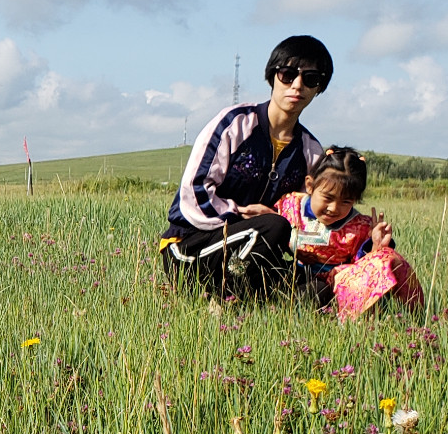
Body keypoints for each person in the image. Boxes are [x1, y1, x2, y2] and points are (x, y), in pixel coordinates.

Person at [161, 35, 332, 299]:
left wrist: (367, 239)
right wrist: (239, 214)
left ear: (319, 88)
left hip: (258, 253)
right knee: (274, 226)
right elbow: (193, 192)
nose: (297, 85)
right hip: (192, 248)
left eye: (310, 79)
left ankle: (243, 295)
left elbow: (315, 214)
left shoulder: (310, 151)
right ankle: (226, 297)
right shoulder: (234, 125)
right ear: (272, 76)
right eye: (288, 74)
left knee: (319, 291)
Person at [276, 146, 424, 320]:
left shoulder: (360, 227)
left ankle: (414, 318)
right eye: (328, 197)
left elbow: (363, 270)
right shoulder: (290, 206)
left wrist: (375, 246)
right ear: (310, 185)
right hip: (291, 279)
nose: (333, 208)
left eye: (345, 201)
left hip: (336, 289)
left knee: (387, 257)